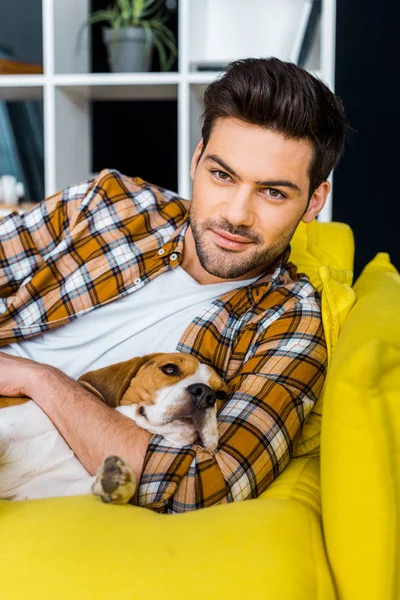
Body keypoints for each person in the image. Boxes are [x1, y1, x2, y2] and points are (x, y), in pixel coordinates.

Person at [0, 57, 349, 513]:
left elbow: (200, 486)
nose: (237, 214)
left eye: (273, 192)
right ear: (197, 158)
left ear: (314, 200)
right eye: (222, 175)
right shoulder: (108, 203)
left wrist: (38, 380)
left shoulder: (289, 326)